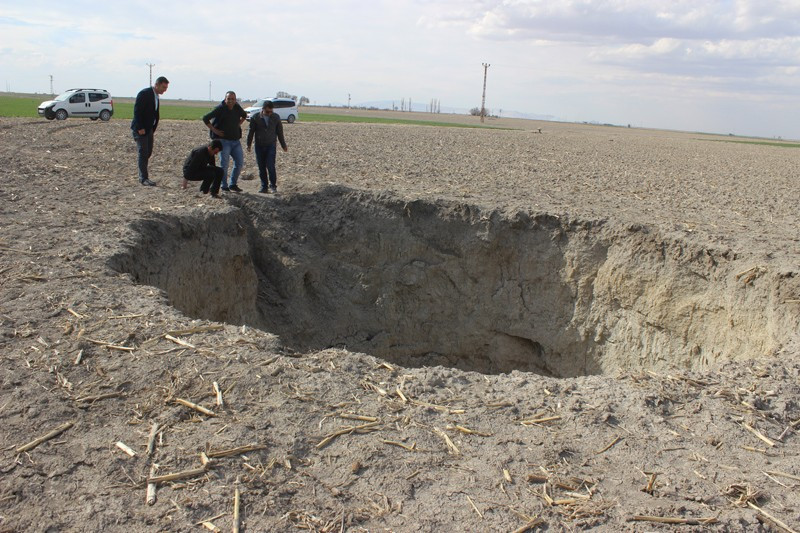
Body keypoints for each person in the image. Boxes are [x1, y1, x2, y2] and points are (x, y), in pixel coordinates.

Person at [202, 91, 247, 192]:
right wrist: (214, 130)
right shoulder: (220, 108)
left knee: (239, 163)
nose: (230, 101)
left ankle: (233, 184)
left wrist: (238, 124)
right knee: (224, 164)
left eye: (232, 99)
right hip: (223, 141)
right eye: (228, 99)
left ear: (235, 100)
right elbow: (205, 118)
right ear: (225, 99)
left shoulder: (237, 107)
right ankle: (224, 186)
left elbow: (244, 115)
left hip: (235, 141)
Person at [131, 76, 169, 186]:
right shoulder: (145, 93)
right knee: (143, 153)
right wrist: (140, 128)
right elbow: (137, 111)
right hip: (141, 129)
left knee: (148, 152)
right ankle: (143, 178)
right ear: (157, 84)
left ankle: (142, 172)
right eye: (163, 87)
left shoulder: (156, 96)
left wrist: (152, 128)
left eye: (166, 88)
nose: (164, 90)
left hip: (149, 129)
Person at [246, 100, 288, 193]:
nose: (269, 113)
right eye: (267, 112)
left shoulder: (276, 117)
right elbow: (251, 132)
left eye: (271, 111)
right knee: (261, 167)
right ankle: (264, 186)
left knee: (270, 166)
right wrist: (248, 144)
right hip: (259, 146)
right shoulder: (255, 117)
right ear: (263, 109)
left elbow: (280, 133)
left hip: (271, 145)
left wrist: (283, 145)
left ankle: (273, 186)